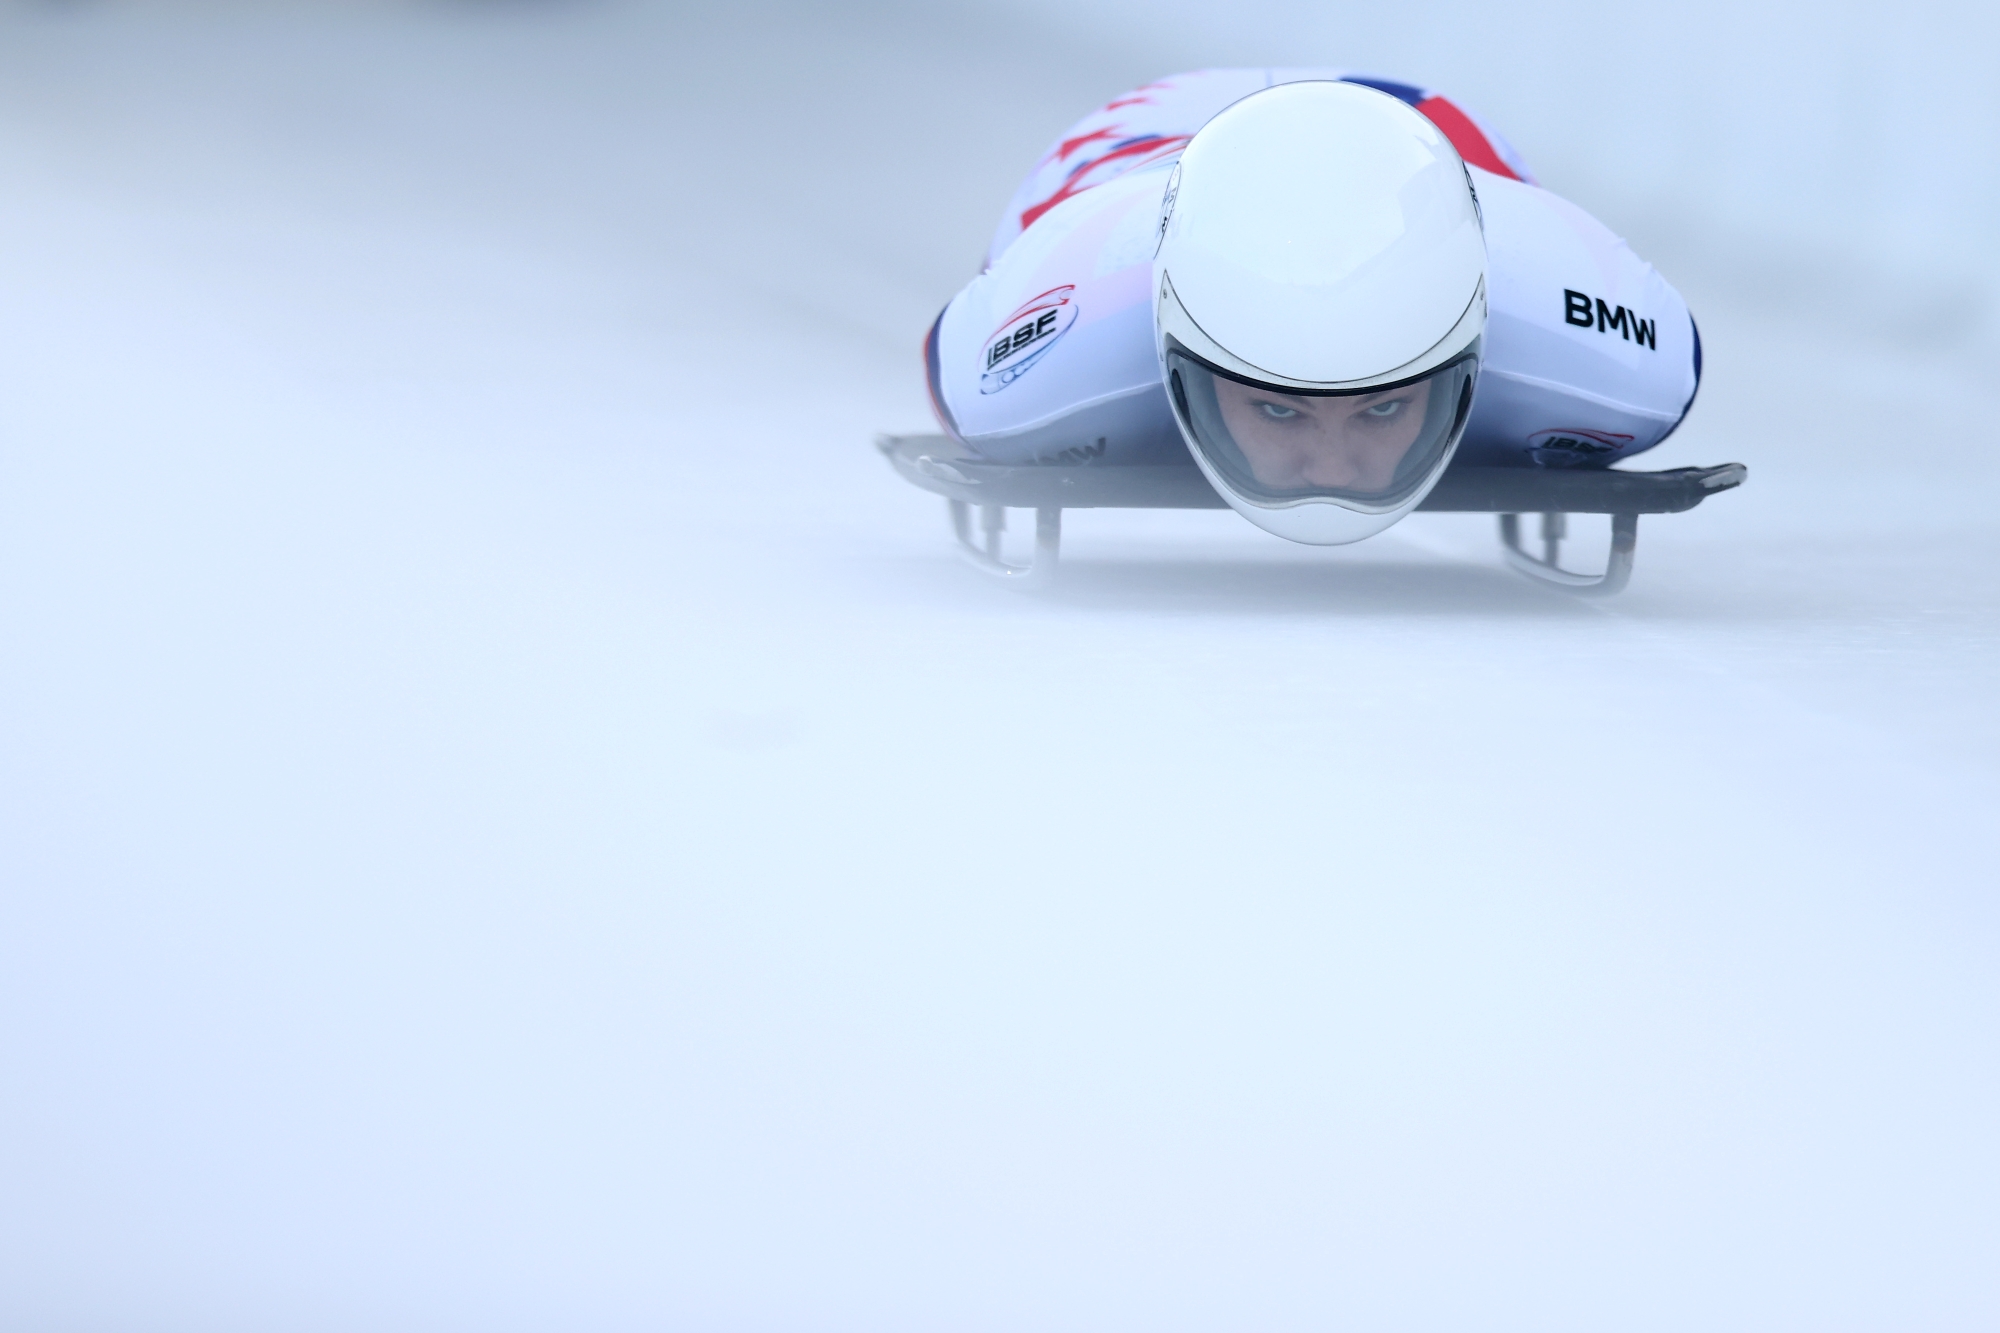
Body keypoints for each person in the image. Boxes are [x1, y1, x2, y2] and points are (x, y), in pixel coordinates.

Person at [924, 70, 1702, 544]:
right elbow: (956, 362)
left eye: (1386, 409)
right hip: (1133, 146)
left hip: (1431, 133)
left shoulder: (1622, 356)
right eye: (1281, 412)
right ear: (1176, 356)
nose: (1333, 472)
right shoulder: (1045, 356)